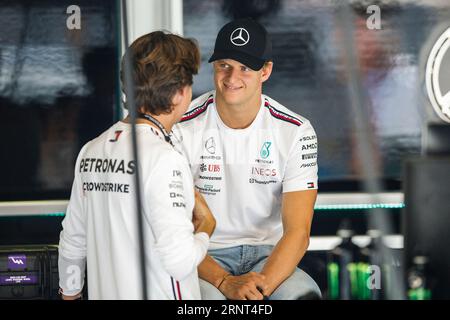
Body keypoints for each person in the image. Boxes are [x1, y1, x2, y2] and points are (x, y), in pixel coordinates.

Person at [58, 31, 216, 300]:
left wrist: (70, 294)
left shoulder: (91, 150)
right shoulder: (165, 159)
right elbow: (179, 263)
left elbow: (73, 242)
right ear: (179, 93)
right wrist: (206, 228)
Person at [174, 18, 321, 300]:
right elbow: (172, 228)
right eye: (224, 65)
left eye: (245, 68)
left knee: (304, 296)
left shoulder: (296, 130)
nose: (231, 78)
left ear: (265, 71)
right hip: (204, 256)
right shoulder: (181, 126)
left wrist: (256, 290)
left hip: (269, 257)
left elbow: (298, 233)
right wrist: (225, 282)